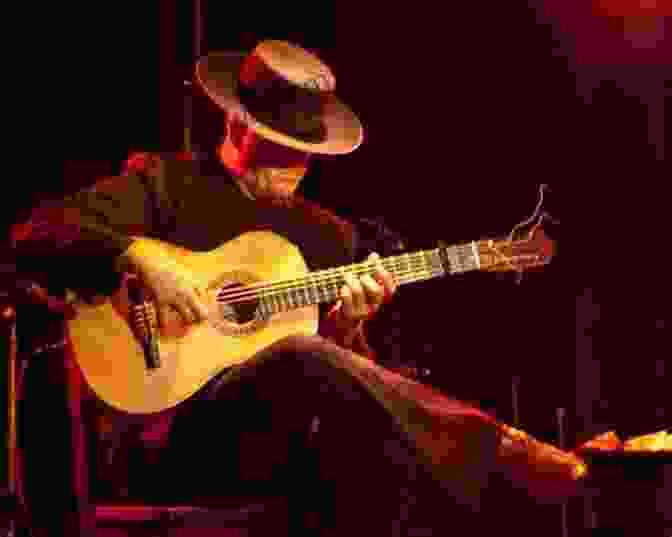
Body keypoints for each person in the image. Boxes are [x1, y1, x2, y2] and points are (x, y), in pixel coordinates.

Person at [12, 40, 587, 537]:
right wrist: (138, 254)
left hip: (283, 446)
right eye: (278, 145)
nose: (296, 164)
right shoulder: (163, 185)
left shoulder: (327, 235)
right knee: (301, 357)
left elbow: (356, 387)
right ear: (237, 123)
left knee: (354, 425)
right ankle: (506, 455)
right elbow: (37, 235)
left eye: (306, 152)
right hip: (166, 431)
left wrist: (347, 327)